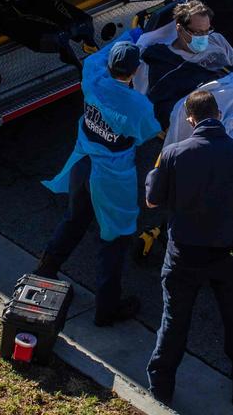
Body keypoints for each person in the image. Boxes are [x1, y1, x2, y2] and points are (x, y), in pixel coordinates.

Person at [145, 90, 233, 407]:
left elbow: (152, 200)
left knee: (174, 322)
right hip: (226, 253)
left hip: (183, 253)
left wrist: (153, 176)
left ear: (190, 119)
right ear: (219, 115)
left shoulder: (173, 154)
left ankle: (161, 386)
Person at [35, 33, 162, 326]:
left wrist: (131, 34)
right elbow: (146, 132)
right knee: (114, 238)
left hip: (82, 165)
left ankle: (46, 269)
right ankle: (107, 307)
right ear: (135, 71)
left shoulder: (92, 76)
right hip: (112, 178)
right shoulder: (137, 105)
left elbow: (100, 55)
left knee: (74, 219)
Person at [134, 1, 233, 128]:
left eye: (207, 31)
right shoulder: (164, 62)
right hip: (207, 120)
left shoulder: (217, 40)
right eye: (198, 33)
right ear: (179, 29)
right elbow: (169, 107)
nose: (204, 37)